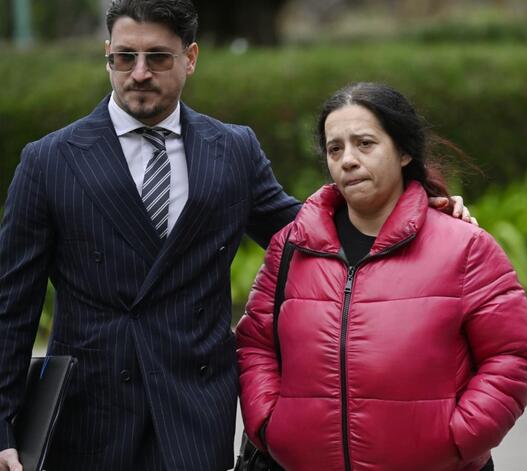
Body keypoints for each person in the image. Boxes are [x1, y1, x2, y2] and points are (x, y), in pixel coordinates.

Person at [0, 2, 474, 470]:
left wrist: (414, 213)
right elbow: (11, 306)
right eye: (125, 57)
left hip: (193, 410)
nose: (139, 73)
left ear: (190, 58)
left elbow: (308, 236)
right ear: (108, 54)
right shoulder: (50, 161)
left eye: (158, 57)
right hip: (90, 416)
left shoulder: (231, 149)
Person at [236, 82, 527, 471]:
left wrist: (459, 438)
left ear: (403, 152)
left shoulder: (465, 246)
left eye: (365, 144)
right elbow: (256, 344)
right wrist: (270, 425)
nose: (348, 160)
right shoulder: (292, 246)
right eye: (335, 149)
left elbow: (513, 354)